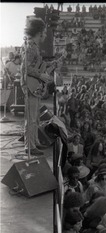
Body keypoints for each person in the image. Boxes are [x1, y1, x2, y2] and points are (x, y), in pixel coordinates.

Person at [20, 17, 52, 155]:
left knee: (36, 117)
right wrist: (40, 76)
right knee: (31, 117)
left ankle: (35, 142)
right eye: (44, 32)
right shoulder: (31, 47)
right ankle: (29, 146)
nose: (45, 35)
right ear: (39, 32)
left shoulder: (33, 46)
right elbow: (25, 68)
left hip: (33, 85)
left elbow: (35, 67)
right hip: (30, 85)